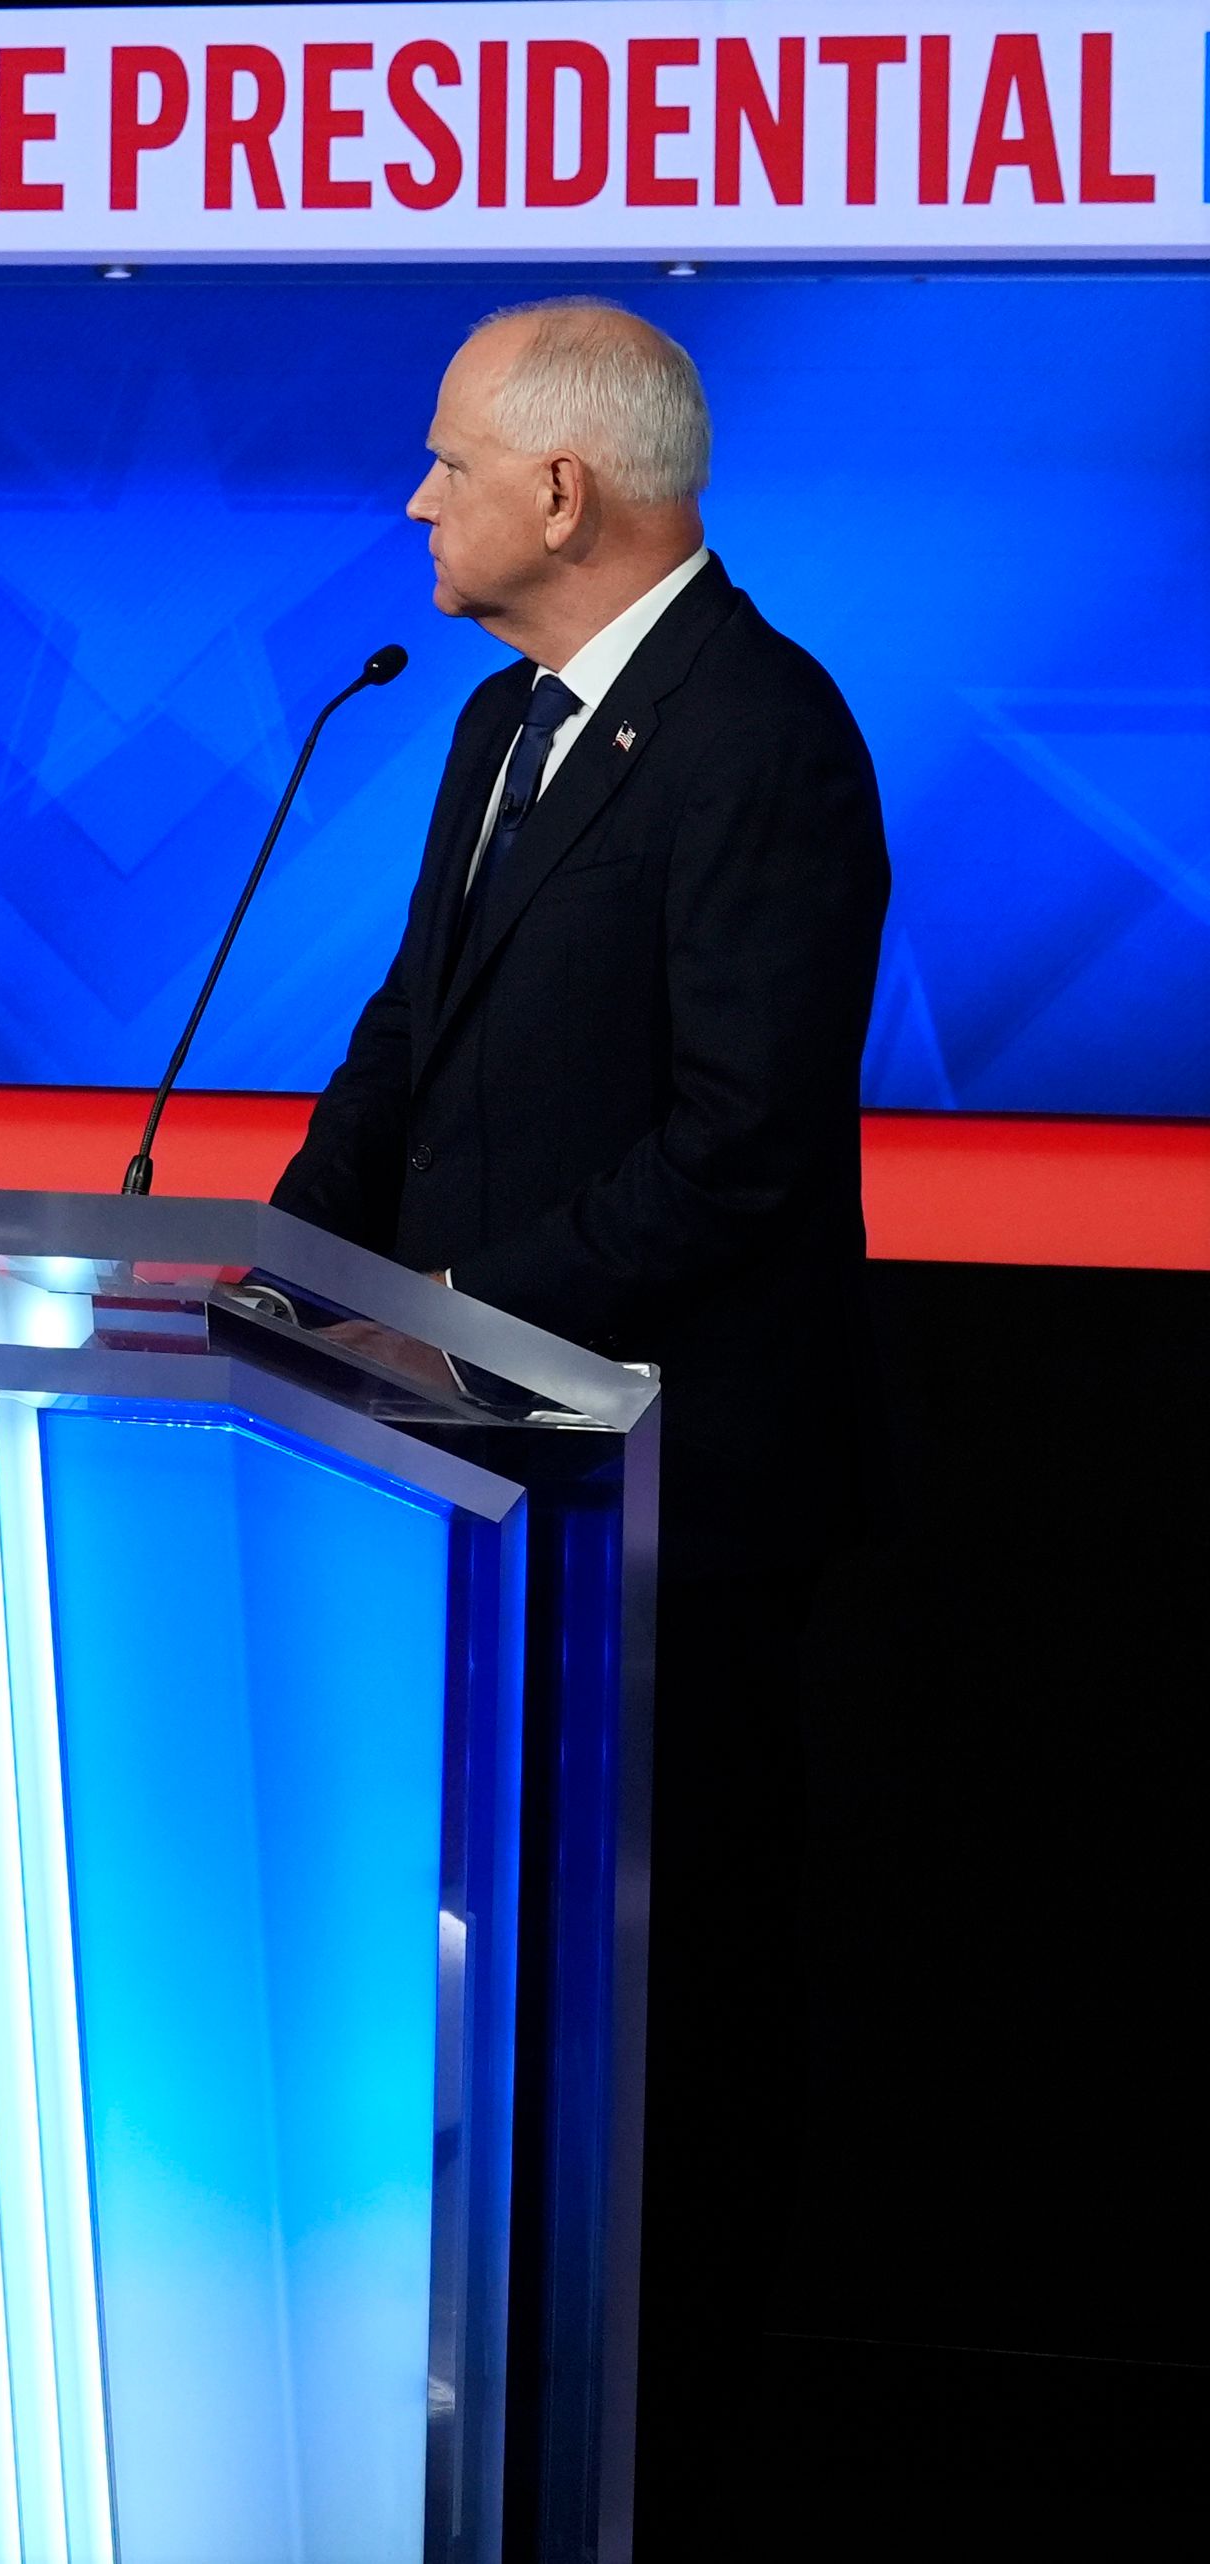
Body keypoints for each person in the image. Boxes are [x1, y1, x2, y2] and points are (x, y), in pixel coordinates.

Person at [273, 298, 887, 2555]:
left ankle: (666, 2481)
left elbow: (740, 1143)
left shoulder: (763, 736)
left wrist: (453, 1323)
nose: (415, 501)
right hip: (476, 1490)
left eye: (446, 462)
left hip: (671, 1512)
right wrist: (276, 1283)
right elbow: (405, 1044)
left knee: (672, 2046)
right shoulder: (490, 731)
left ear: (567, 491)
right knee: (494, 2041)